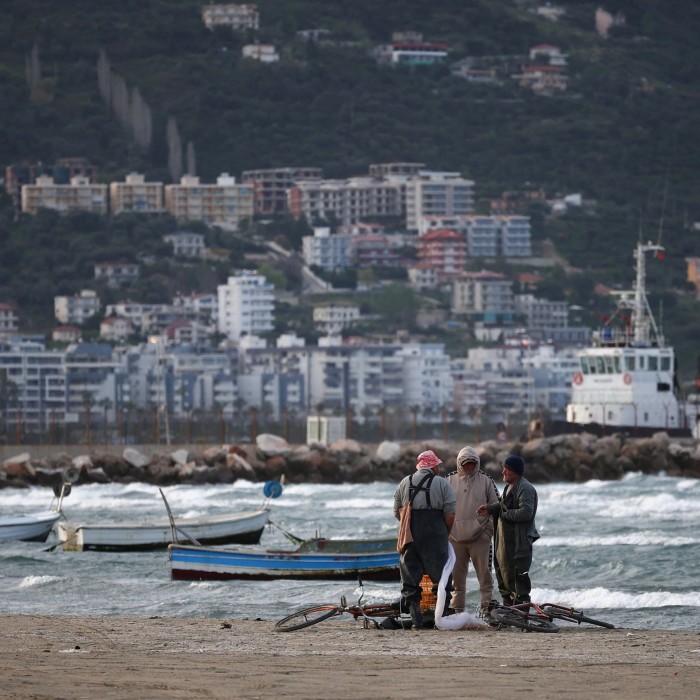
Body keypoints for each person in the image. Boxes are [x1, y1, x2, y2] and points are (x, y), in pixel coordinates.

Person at [393, 449, 456, 629]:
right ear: (432, 466)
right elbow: (450, 514)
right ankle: (440, 620)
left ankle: (416, 622)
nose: (439, 468)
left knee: (410, 581)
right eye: (437, 465)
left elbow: (397, 510)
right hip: (435, 537)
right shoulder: (442, 484)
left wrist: (409, 526)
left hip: (410, 538)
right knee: (442, 580)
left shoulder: (404, 482)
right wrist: (444, 533)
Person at [477, 454, 539, 606]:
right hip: (504, 543)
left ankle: (522, 616)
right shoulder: (509, 486)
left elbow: (526, 512)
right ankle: (508, 612)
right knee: (503, 577)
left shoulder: (525, 488)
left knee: (518, 582)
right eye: (503, 468)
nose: (503, 472)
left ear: (516, 471)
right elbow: (503, 504)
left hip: (518, 544)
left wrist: (505, 515)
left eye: (507, 469)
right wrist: (490, 509)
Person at [446, 446, 500, 617]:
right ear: (459, 463)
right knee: (457, 581)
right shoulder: (447, 480)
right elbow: (439, 508)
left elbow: (498, 505)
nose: (469, 467)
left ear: (477, 463)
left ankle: (487, 611)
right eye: (466, 464)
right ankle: (457, 612)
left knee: (485, 578)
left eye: (472, 463)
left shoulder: (486, 480)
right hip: (455, 538)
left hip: (480, 538)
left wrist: (488, 532)